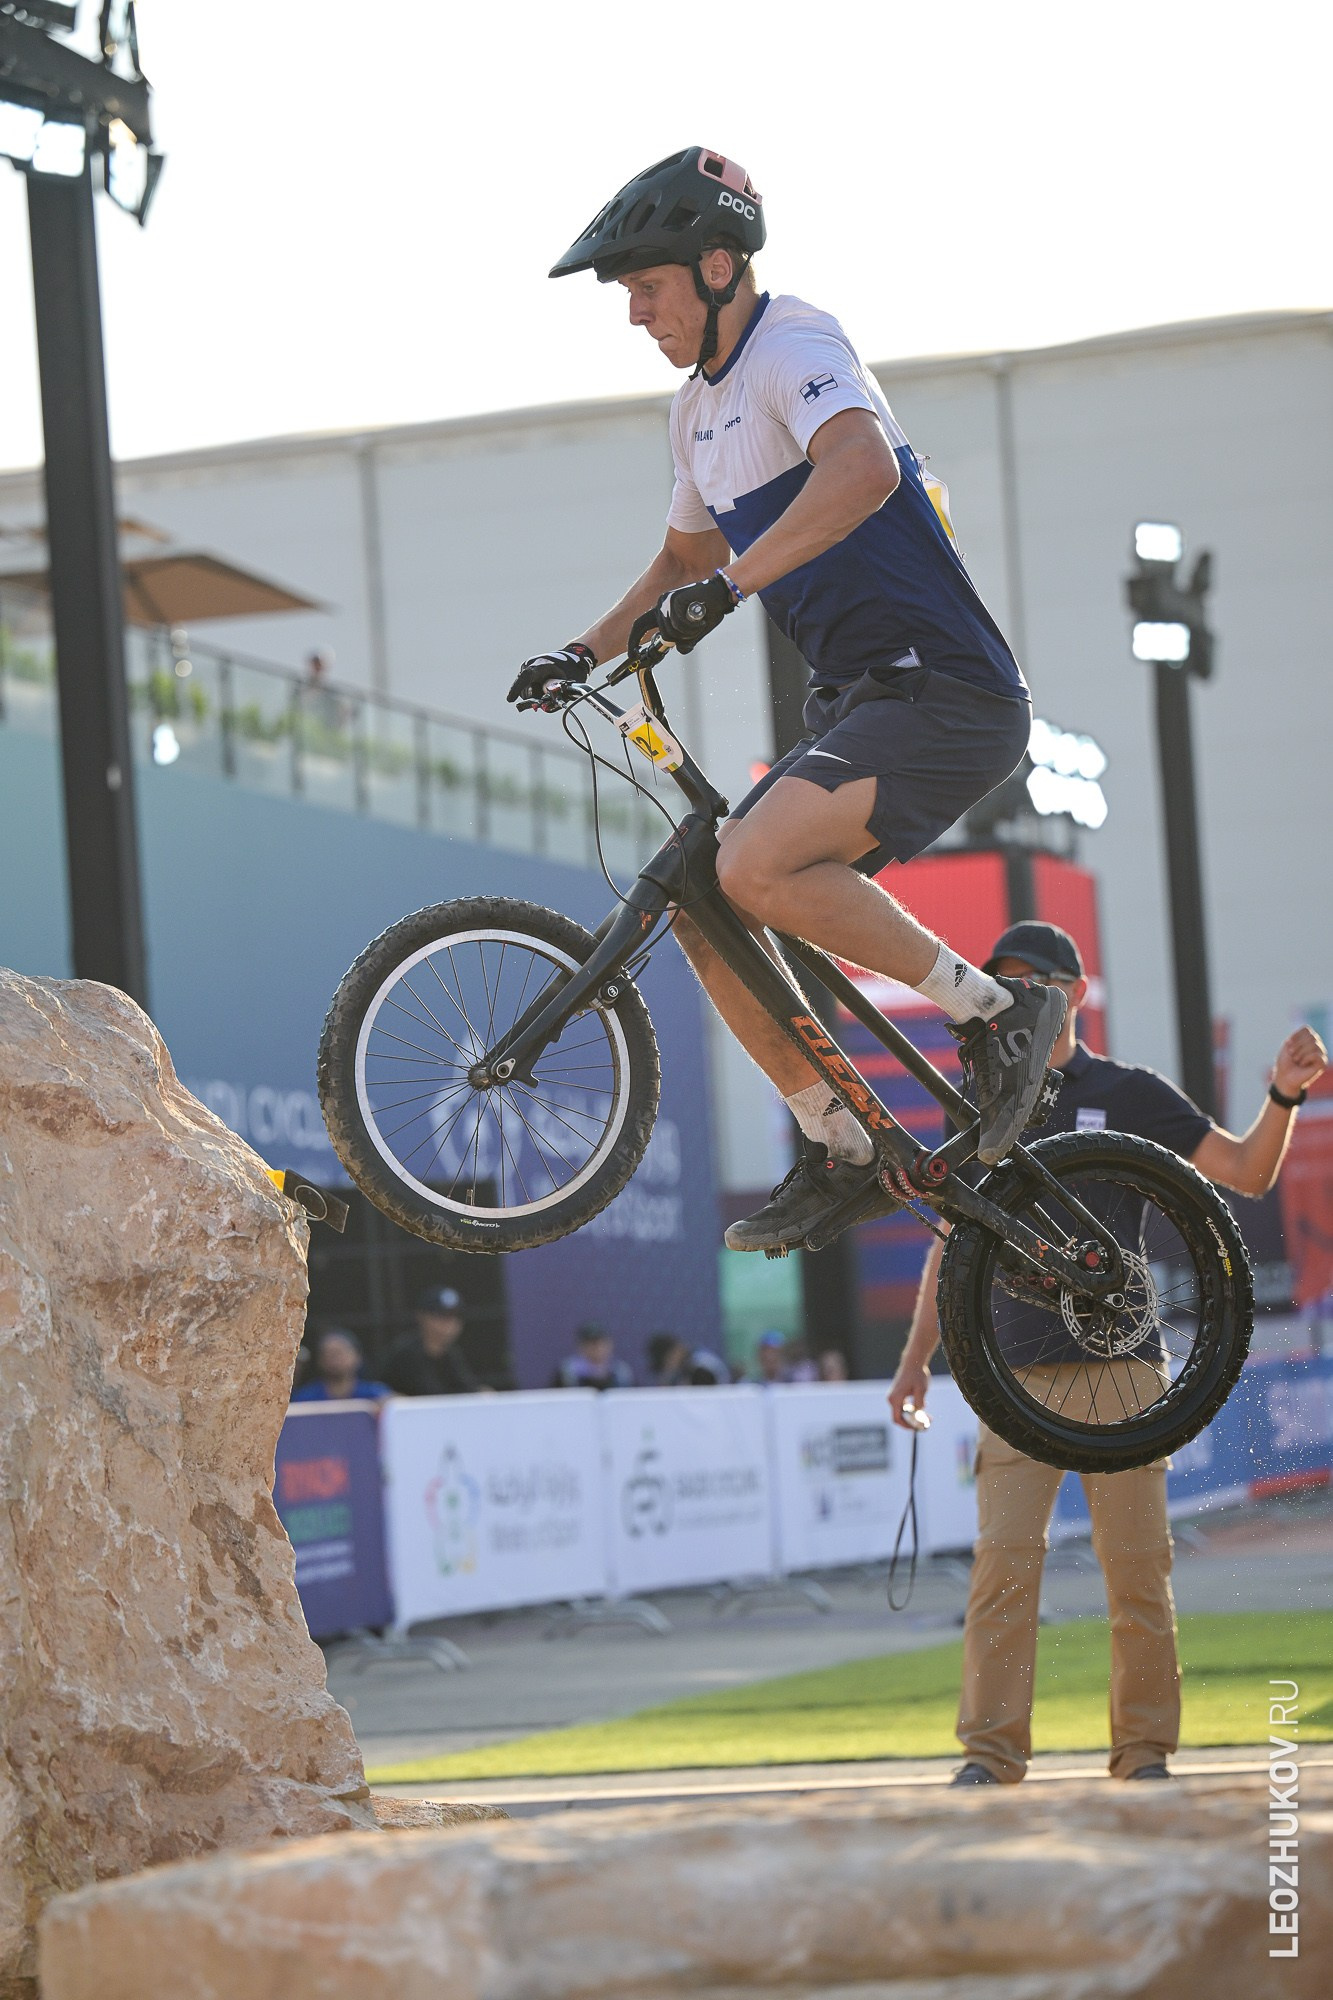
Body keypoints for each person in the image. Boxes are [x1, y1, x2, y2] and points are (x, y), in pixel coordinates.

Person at [510, 148, 1066, 1256]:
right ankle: (838, 1138)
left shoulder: (793, 343)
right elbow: (679, 560)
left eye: (647, 288)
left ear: (719, 267)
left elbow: (860, 471)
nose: (634, 314)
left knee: (752, 862)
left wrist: (731, 582)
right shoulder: (694, 413)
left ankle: (998, 1016)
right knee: (709, 901)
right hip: (858, 697)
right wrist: (580, 649)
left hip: (943, 686)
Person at [887, 919, 1329, 1786]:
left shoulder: (1126, 1091)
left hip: (1124, 1367)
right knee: (1002, 1575)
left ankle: (1143, 1755)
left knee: (1137, 1573)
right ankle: (989, 1758)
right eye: (999, 983)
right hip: (1010, 1374)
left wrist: (1280, 1096)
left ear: (1075, 994)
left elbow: (1242, 1173)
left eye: (1029, 982)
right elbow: (951, 1243)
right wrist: (915, 1361)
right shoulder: (978, 1096)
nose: (1011, 996)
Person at [381, 1286, 480, 1397]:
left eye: (454, 1316)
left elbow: (467, 1388)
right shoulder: (405, 1353)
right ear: (422, 1317)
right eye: (441, 1316)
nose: (449, 1324)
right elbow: (428, 1394)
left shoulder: (451, 1352)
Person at [290, 1328, 392, 1404]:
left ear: (357, 1357)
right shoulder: (305, 1398)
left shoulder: (375, 1393)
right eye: (327, 1353)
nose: (333, 1358)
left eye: (339, 1353)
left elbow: (398, 1406)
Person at [551, 1323, 633, 1390]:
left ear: (610, 1345)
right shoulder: (567, 1373)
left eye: (601, 1343)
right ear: (581, 1347)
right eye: (591, 1344)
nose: (597, 1348)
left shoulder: (621, 1372)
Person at [646, 1331, 728, 1385]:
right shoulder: (683, 1368)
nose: (668, 1366)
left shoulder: (701, 1364)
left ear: (676, 1351)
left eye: (667, 1361)